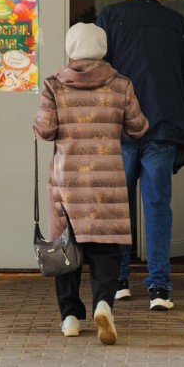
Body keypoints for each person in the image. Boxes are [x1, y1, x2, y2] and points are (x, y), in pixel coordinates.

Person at [33, 22, 149, 344]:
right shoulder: (121, 84)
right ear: (103, 49)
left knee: (65, 250)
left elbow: (45, 131)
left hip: (66, 182)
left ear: (71, 49)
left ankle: (70, 317)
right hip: (106, 181)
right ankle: (103, 304)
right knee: (106, 250)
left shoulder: (54, 84)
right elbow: (137, 128)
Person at [95, 0, 184, 311]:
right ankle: (160, 288)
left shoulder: (109, 17)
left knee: (118, 207)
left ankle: (120, 281)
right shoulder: (180, 25)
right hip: (163, 127)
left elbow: (98, 74)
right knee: (157, 207)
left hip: (120, 128)